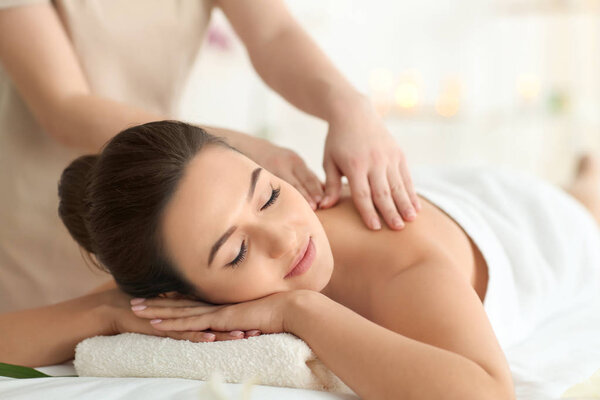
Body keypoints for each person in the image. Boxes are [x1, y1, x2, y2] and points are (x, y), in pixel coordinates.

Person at [5, 121, 600, 399]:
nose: (284, 239)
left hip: (530, 224)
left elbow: (486, 396)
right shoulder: (181, 266)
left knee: (585, 204)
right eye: (236, 252)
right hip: (451, 202)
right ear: (178, 295)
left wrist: (300, 311)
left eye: (266, 193)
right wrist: (107, 314)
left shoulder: (405, 269)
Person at [0, 0, 420, 314]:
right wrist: (230, 149)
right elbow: (64, 105)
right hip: (42, 217)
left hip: (190, 218)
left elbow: (273, 33)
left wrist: (349, 106)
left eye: (269, 196)